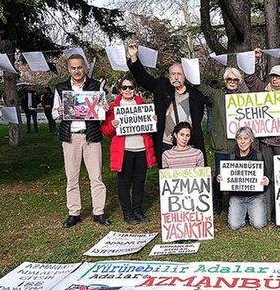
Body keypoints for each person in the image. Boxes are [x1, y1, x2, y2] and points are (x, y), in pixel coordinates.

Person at [52, 54, 110, 227]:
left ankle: (98, 212)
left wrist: (104, 109)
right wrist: (60, 111)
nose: (77, 71)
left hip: (91, 136)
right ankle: (74, 212)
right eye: (73, 68)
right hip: (70, 138)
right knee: (72, 177)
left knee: (96, 176)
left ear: (84, 67)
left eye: (79, 67)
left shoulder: (95, 85)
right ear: (69, 69)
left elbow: (102, 111)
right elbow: (55, 114)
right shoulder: (61, 88)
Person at [127, 43, 208, 167]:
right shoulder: (161, 86)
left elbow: (200, 116)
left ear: (185, 76)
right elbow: (143, 79)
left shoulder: (195, 95)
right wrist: (133, 57)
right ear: (169, 76)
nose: (176, 77)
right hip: (166, 143)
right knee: (168, 180)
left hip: (189, 144)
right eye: (172, 74)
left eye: (179, 74)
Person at [244, 49, 280, 221]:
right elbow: (250, 79)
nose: (274, 79)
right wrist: (255, 59)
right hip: (265, 141)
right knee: (266, 176)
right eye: (272, 76)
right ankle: (267, 211)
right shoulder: (262, 89)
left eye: (278, 76)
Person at [101, 76, 157, 225]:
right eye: (124, 87)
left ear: (135, 89)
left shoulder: (142, 104)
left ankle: (138, 210)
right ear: (120, 90)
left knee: (139, 182)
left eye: (130, 87)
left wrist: (152, 122)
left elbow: (149, 131)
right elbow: (105, 131)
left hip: (141, 150)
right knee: (124, 183)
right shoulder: (113, 108)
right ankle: (127, 213)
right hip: (124, 151)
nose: (127, 90)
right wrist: (112, 125)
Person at [191, 68, 248, 215]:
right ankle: (217, 202)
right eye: (229, 79)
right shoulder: (217, 94)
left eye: (235, 80)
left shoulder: (245, 98)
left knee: (238, 174)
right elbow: (200, 86)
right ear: (225, 80)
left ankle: (237, 202)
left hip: (239, 144)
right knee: (220, 175)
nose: (232, 82)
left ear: (239, 82)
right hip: (221, 142)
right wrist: (191, 67)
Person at [218, 126, 269, 230]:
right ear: (236, 140)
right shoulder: (231, 157)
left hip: (255, 196)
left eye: (245, 138)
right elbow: (223, 180)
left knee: (258, 224)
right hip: (237, 196)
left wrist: (267, 181)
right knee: (234, 225)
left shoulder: (258, 156)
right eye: (239, 138)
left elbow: (265, 176)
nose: (242, 142)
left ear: (251, 140)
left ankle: (249, 212)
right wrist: (218, 179)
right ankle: (243, 212)